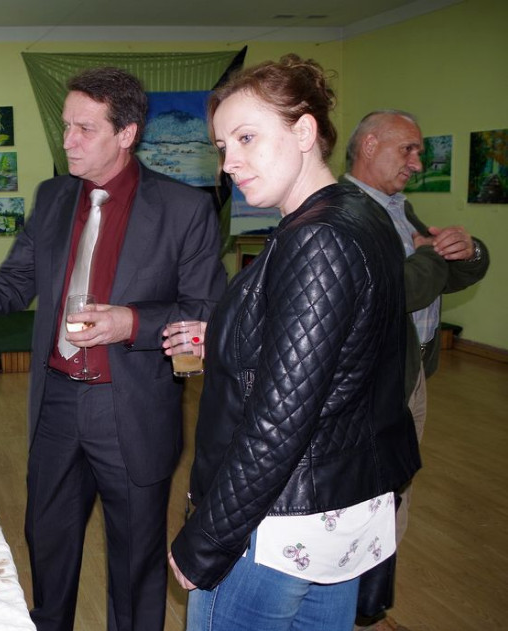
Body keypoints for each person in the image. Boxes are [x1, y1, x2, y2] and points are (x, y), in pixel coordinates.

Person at [0, 66, 227, 631]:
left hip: (131, 406)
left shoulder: (184, 210)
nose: (68, 140)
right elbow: (14, 285)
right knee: (48, 545)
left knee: (136, 562)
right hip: (57, 403)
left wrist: (130, 322)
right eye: (66, 126)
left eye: (85, 129)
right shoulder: (54, 197)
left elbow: (207, 311)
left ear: (127, 133)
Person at [166, 55, 421, 630]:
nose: (229, 162)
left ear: (304, 132)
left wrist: (208, 540)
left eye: (246, 138)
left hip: (279, 517)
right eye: (222, 146)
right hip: (339, 506)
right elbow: (341, 349)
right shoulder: (360, 215)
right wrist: (226, 336)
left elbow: (279, 420)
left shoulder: (316, 239)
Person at [343, 110, 489, 542]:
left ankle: (380, 577)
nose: (418, 163)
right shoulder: (346, 210)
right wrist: (429, 254)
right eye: (408, 149)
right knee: (372, 491)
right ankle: (366, 578)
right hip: (373, 382)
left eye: (419, 152)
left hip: (411, 372)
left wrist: (469, 251)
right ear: (370, 145)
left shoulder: (397, 207)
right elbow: (397, 292)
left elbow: (440, 274)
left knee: (397, 485)